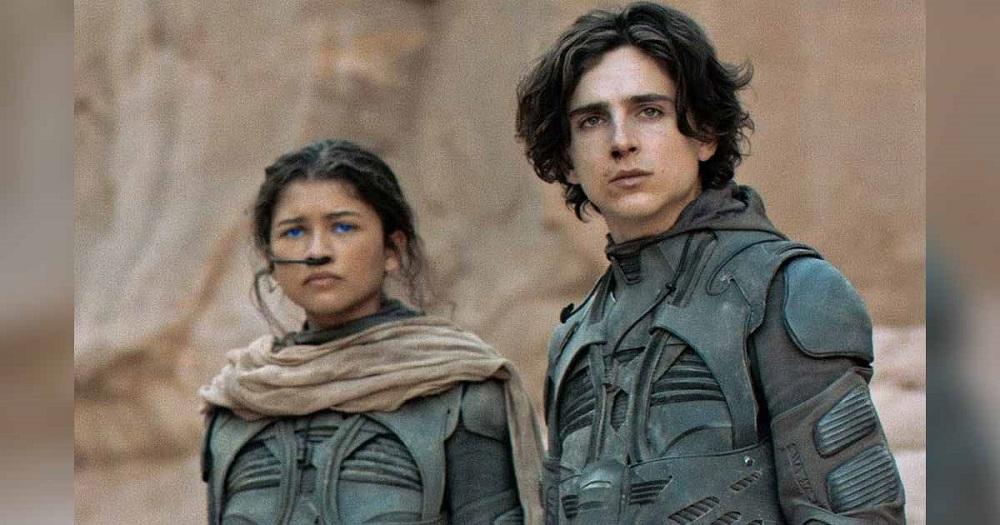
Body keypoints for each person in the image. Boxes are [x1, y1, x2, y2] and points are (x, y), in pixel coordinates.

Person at [515, 3, 905, 524]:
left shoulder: (787, 292)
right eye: (591, 121)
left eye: (649, 111)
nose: (621, 142)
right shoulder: (576, 337)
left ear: (704, 135)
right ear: (566, 158)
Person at [199, 139, 542, 524]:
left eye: (343, 227)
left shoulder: (459, 393)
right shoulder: (240, 404)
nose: (317, 252)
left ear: (392, 250)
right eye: (294, 232)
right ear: (270, 259)